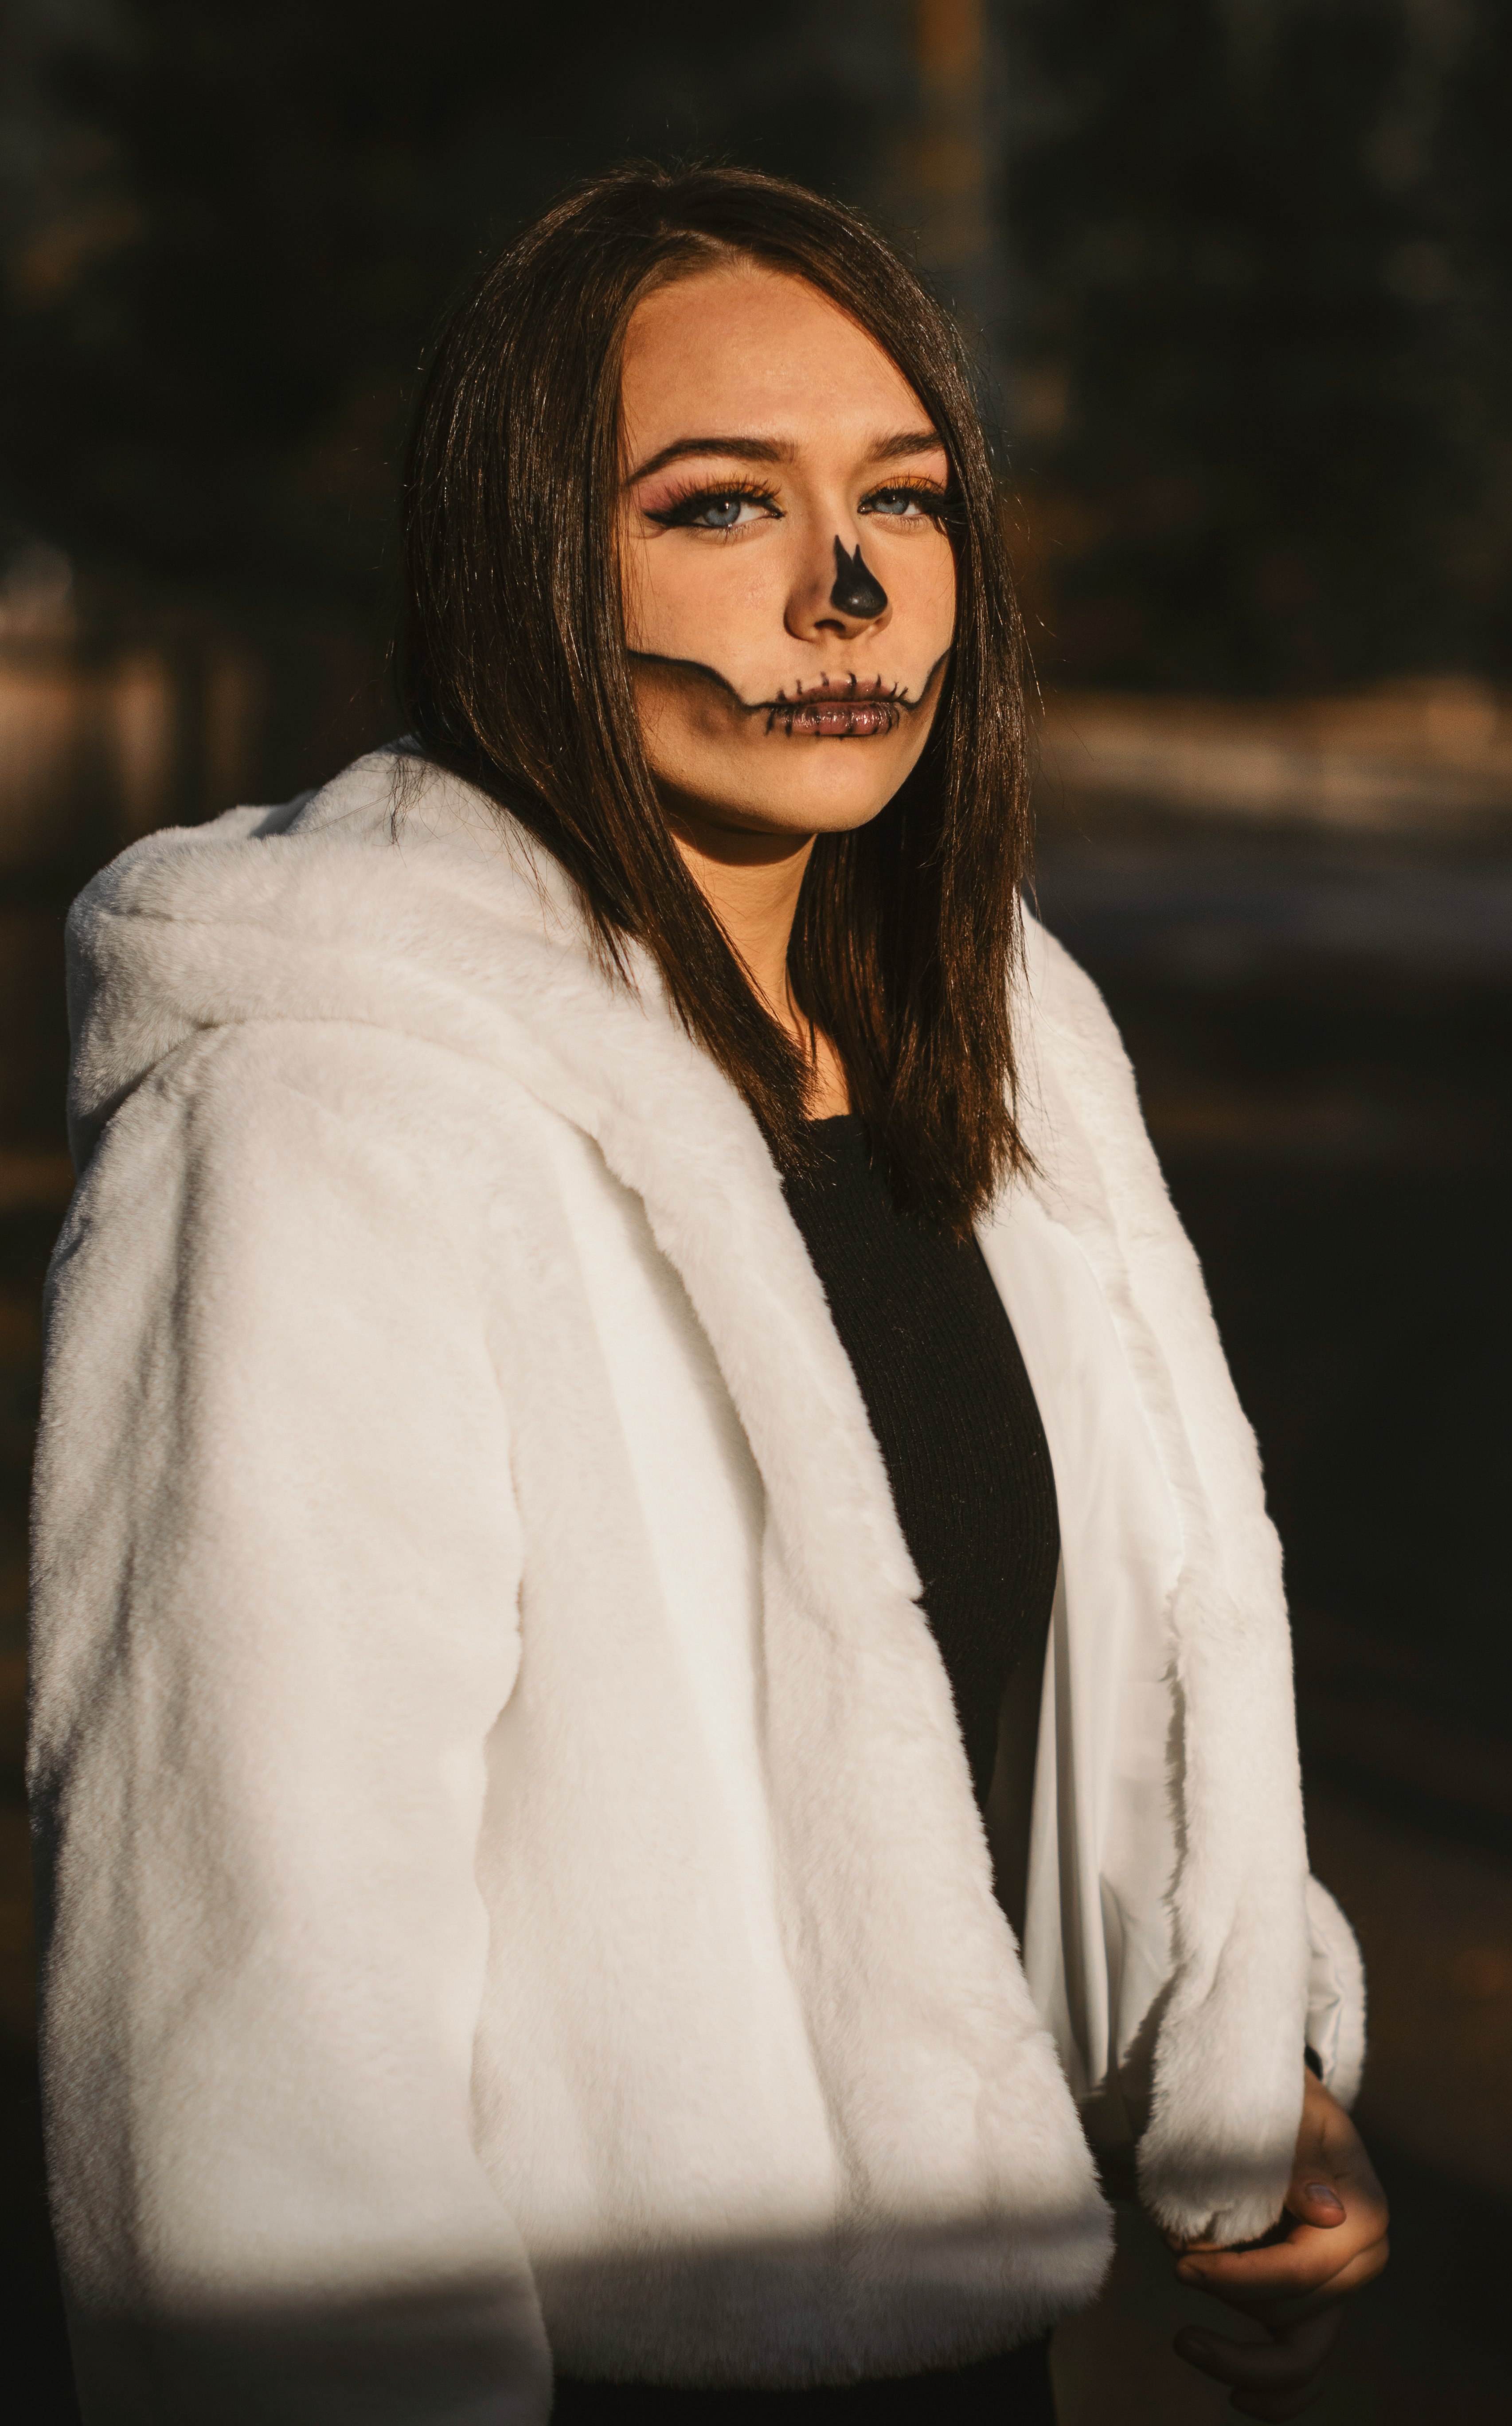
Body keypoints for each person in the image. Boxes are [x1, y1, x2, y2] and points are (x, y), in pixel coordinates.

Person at [28, 166, 1387, 2424]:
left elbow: (1078, 1683)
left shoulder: (1003, 1037)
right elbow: (254, 2020)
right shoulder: (325, 1117)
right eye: (721, 505)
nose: (847, 590)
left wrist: (1236, 2063)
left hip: (975, 2358)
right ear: (533, 559)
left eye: (909, 501)